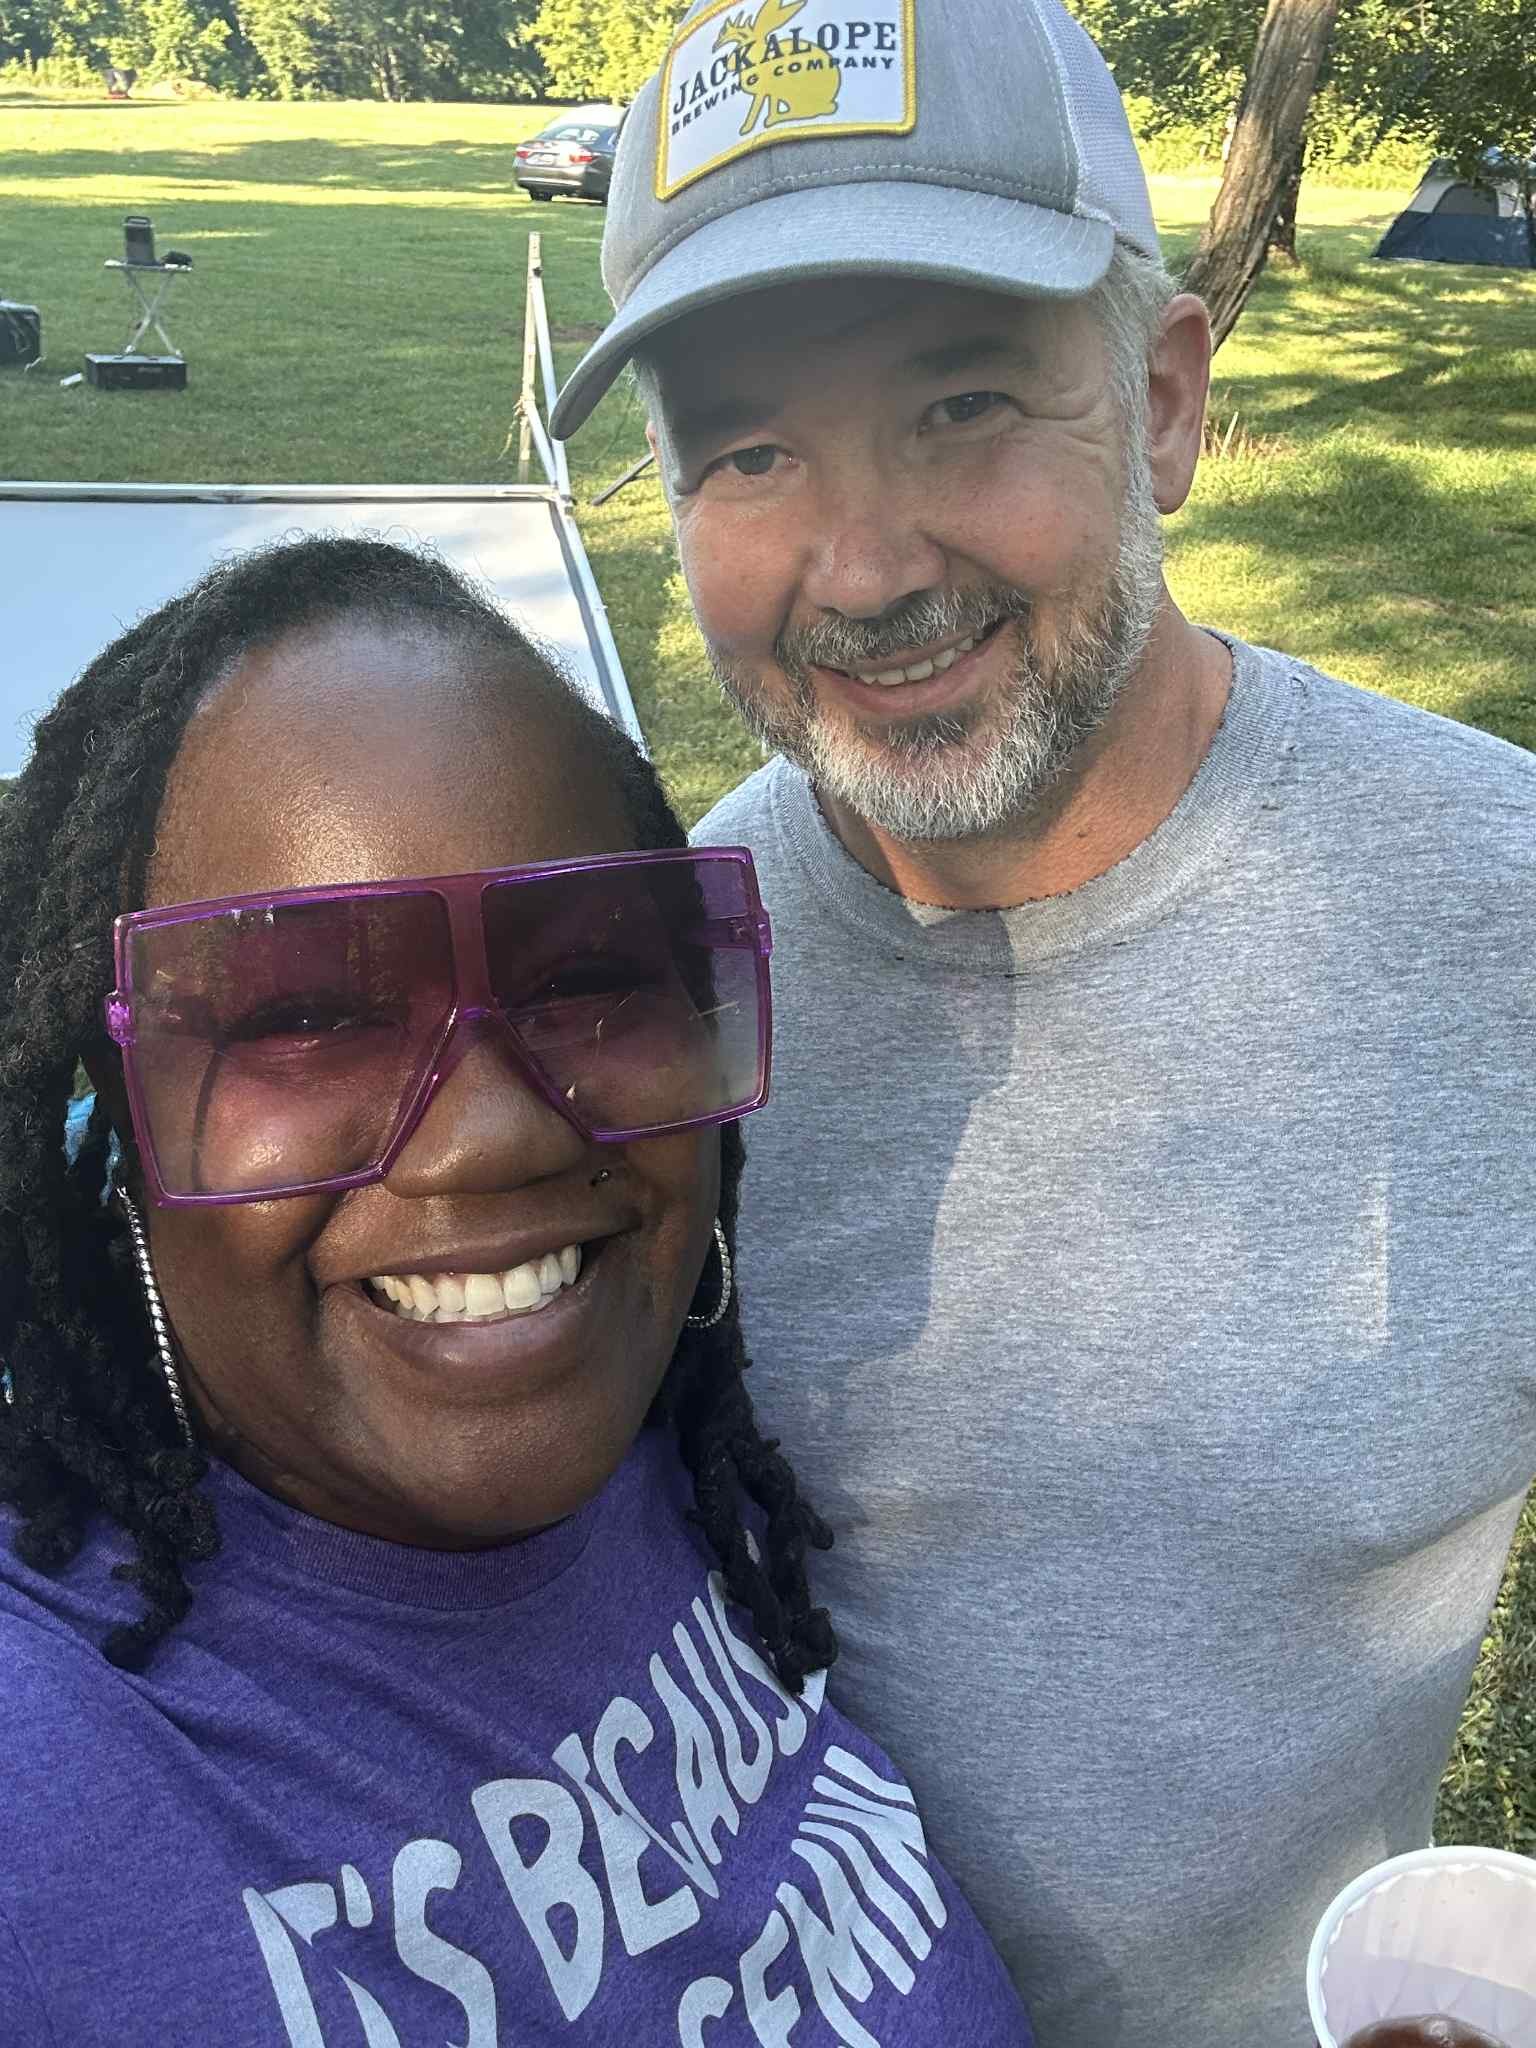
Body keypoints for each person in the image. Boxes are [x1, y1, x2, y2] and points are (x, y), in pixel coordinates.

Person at [549, 1, 1536, 2043]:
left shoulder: (1501, 925)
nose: (866, 564)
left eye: (968, 401)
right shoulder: (638, 1003)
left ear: (1168, 400)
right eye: (747, 447)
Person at [0, 536, 1034, 2046]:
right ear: (114, 1129)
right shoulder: (57, 1765)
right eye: (303, 1013)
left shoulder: (667, 1445)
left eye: (590, 974)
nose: (492, 1129)